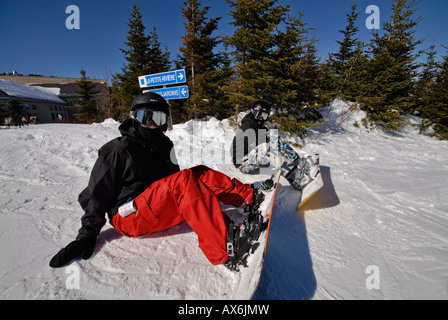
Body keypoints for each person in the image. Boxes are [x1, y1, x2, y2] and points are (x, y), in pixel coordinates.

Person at [49, 92, 263, 270]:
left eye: (158, 119)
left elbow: (180, 185)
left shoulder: (164, 146)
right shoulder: (118, 149)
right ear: (135, 117)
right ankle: (225, 249)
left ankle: (248, 197)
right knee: (184, 180)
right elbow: (97, 194)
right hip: (128, 215)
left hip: (154, 207)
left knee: (198, 173)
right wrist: (86, 236)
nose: (151, 125)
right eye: (145, 117)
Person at [230, 101, 320, 190]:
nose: (261, 118)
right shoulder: (247, 127)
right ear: (253, 112)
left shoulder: (256, 124)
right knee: (267, 148)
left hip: (251, 157)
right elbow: (263, 148)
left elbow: (265, 143)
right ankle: (296, 179)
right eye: (259, 115)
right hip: (242, 163)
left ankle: (298, 163)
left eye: (264, 116)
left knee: (275, 138)